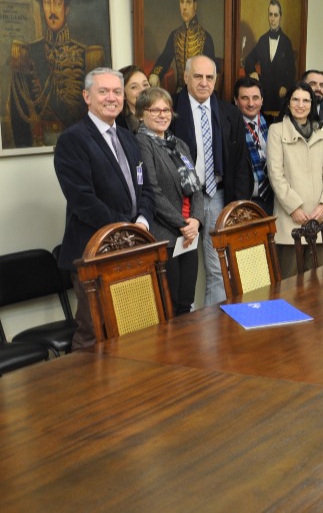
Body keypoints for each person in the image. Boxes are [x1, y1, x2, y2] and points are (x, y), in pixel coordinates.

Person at [53, 67, 154, 348]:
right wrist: (126, 228)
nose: (112, 97)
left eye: (117, 91)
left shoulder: (127, 137)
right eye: (103, 91)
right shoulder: (72, 140)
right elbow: (83, 201)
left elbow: (144, 186)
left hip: (133, 248)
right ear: (87, 96)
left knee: (133, 332)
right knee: (94, 336)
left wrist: (142, 221)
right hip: (94, 253)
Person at [170, 55, 251, 306]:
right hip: (182, 202)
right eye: (197, 76)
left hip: (218, 196)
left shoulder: (228, 112)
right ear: (185, 77)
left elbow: (240, 163)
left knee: (218, 268)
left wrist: (235, 207)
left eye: (209, 77)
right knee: (182, 272)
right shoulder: (170, 110)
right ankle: (184, 335)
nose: (204, 83)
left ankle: (214, 333)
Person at [8, 0, 105, 148]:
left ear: (66, 7)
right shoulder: (27, 54)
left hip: (78, 145)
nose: (52, 11)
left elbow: (98, 113)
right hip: (38, 146)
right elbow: (18, 116)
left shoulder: (87, 56)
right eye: (46, 2)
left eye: (57, 3)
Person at [135, 87, 204, 315]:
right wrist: (182, 223)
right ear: (141, 113)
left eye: (166, 110)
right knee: (169, 305)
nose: (162, 115)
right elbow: (152, 190)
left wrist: (196, 220)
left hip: (189, 234)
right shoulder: (142, 143)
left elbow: (196, 187)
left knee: (186, 301)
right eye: (155, 110)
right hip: (165, 234)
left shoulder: (179, 144)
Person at [266, 82, 323, 278]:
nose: (300, 104)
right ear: (288, 103)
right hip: (291, 221)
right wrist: (294, 208)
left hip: (320, 220)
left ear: (312, 104)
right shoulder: (276, 131)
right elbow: (275, 175)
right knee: (290, 283)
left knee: (321, 283)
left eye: (306, 100)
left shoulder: (322, 133)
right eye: (295, 99)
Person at [149, 0, 216, 93]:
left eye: (188, 2)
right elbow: (165, 58)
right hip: (179, 92)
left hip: (199, 93)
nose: (184, 7)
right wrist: (155, 74)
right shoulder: (175, 35)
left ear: (195, 5)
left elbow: (211, 73)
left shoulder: (205, 37)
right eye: (181, 2)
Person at [243, 0, 297, 116]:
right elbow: (249, 60)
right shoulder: (263, 40)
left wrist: (286, 87)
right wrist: (252, 72)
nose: (272, 19)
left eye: (275, 15)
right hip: (264, 96)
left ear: (280, 17)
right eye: (270, 15)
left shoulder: (286, 42)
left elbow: (292, 71)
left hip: (280, 97)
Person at [234, 76, 273, 214]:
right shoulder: (230, 128)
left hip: (274, 201)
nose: (251, 103)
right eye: (245, 98)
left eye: (255, 98)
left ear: (262, 100)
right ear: (236, 101)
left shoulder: (272, 126)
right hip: (246, 203)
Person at [117, 65, 150, 134]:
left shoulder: (163, 116)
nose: (143, 90)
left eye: (145, 85)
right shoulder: (118, 126)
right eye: (134, 87)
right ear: (122, 94)